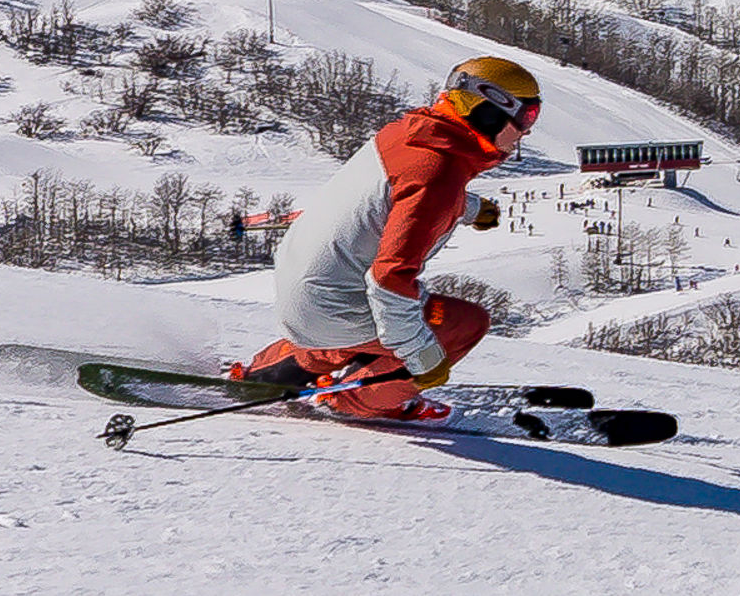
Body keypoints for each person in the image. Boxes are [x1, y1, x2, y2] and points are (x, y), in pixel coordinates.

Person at [226, 56, 543, 421]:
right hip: (332, 305)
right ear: (488, 111)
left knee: (356, 321)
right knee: (461, 324)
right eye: (527, 117)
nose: (527, 130)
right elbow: (390, 280)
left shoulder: (407, 135)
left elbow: (394, 196)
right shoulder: (438, 175)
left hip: (303, 291)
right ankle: (359, 401)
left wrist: (467, 208)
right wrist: (420, 355)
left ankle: (269, 373)